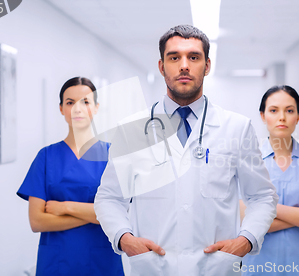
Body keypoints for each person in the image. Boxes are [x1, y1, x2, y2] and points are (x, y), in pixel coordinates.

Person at [94, 25, 278, 276]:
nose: (184, 65)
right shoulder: (132, 130)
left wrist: (245, 241)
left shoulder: (236, 128)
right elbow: (109, 198)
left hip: (216, 268)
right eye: (174, 57)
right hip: (153, 267)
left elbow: (262, 197)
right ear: (161, 66)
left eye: (193, 57)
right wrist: (125, 239)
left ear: (207, 65)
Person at [17, 77, 124, 276]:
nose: (77, 108)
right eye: (70, 102)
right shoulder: (46, 157)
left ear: (96, 107)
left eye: (85, 101)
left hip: (101, 261)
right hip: (57, 263)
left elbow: (120, 215)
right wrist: (97, 215)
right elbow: (37, 221)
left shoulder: (112, 156)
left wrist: (65, 207)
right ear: (61, 109)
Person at [241, 85, 299, 275]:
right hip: (259, 269)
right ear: (262, 115)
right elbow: (245, 219)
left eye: (290, 110)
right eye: (274, 110)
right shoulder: (248, 161)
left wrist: (262, 208)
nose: (282, 117)